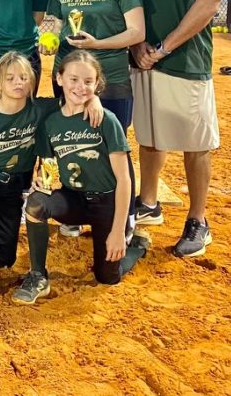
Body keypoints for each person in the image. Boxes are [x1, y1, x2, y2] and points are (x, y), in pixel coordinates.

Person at [119, 0, 231, 257]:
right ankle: (148, 202)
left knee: (194, 142)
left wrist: (163, 47)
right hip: (141, 56)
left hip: (184, 59)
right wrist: (137, 45)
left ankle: (199, 220)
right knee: (150, 134)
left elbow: (209, 3)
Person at [0, 51, 102, 305]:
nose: (18, 83)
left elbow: (73, 96)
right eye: (10, 78)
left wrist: (94, 99)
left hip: (12, 185)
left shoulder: (40, 109)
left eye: (23, 77)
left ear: (32, 81)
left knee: (4, 260)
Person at [12, 51, 146, 304]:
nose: (80, 87)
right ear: (59, 78)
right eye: (73, 79)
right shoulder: (50, 123)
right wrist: (41, 181)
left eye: (88, 82)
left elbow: (124, 178)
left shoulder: (106, 119)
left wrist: (117, 230)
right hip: (74, 199)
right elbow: (47, 166)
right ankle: (38, 275)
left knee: (107, 277)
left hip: (107, 202)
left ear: (97, 85)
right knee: (37, 202)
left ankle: (135, 245)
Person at [42, 0, 144, 238]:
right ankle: (77, 209)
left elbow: (136, 32)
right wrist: (48, 41)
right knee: (73, 143)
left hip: (109, 78)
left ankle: (125, 216)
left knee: (112, 148)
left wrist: (98, 44)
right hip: (70, 80)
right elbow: (54, 25)